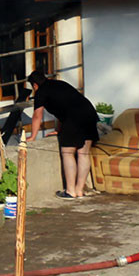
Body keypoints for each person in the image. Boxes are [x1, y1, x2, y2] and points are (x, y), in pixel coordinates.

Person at [25, 70, 99, 200]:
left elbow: (37, 115)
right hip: (89, 113)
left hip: (74, 119)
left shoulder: (41, 92)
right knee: (83, 153)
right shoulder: (60, 84)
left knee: (68, 152)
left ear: (35, 85)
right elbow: (64, 108)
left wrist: (32, 136)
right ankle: (79, 190)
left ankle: (70, 191)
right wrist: (60, 130)